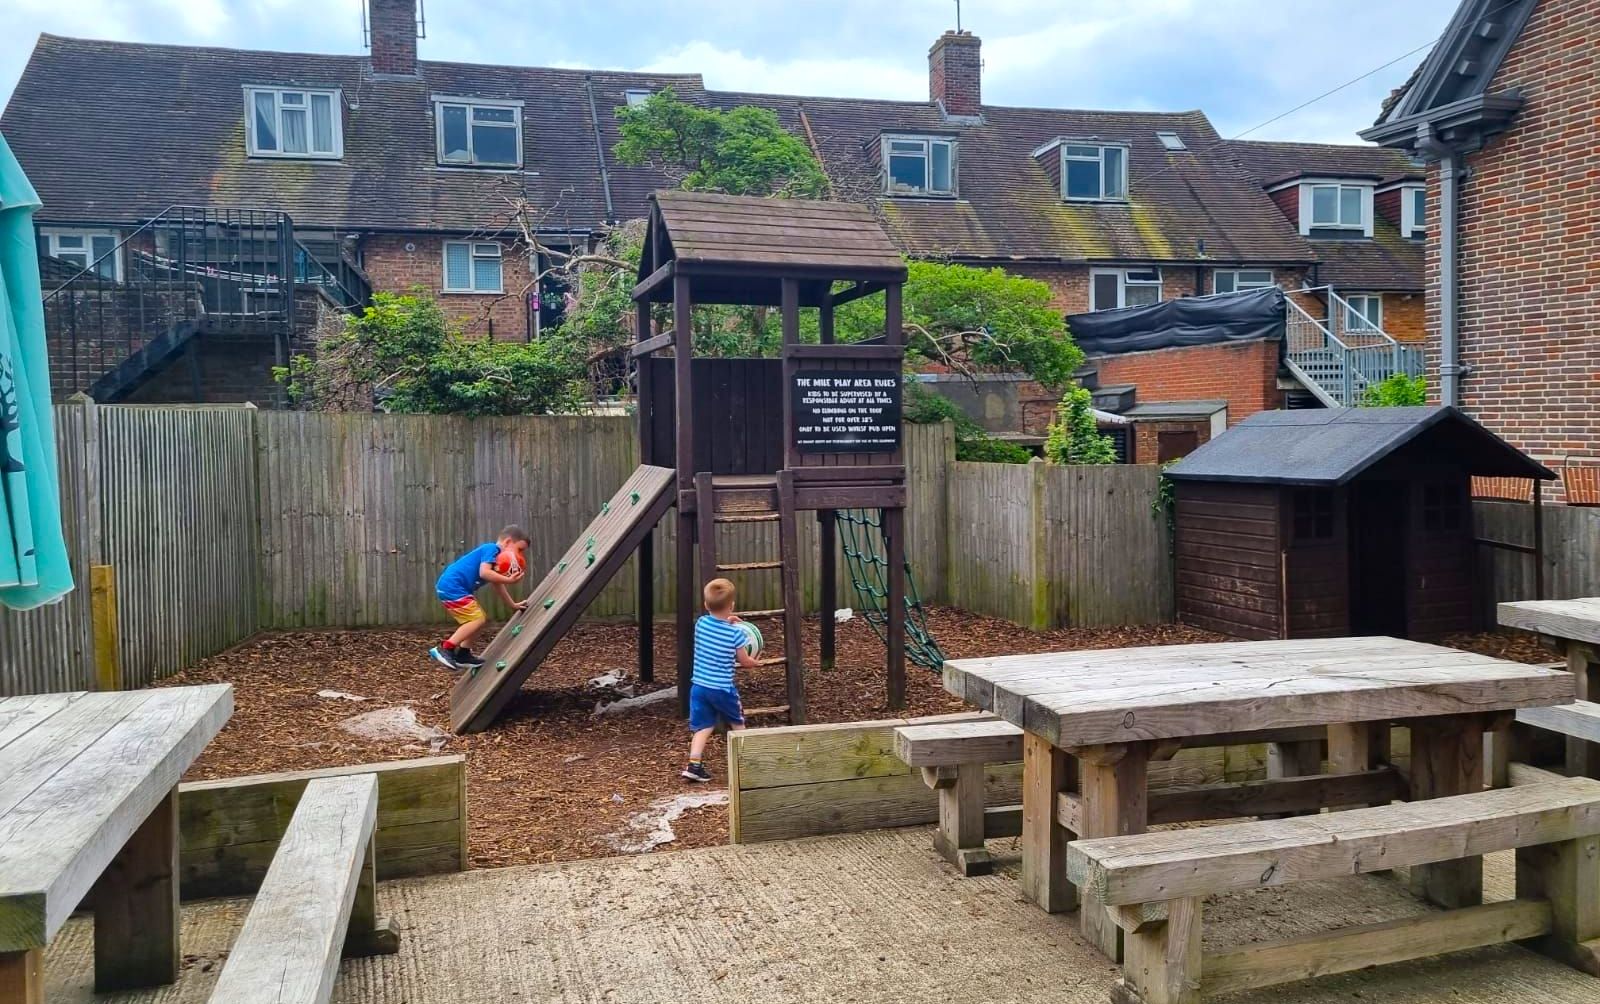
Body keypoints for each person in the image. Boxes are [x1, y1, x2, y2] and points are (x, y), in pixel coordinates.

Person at [682, 577, 761, 782]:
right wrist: (754, 662)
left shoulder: (700, 624)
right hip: (722, 688)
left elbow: (714, 625)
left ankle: (694, 765)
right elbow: (743, 661)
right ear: (732, 606)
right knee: (737, 722)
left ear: (706, 605)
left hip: (699, 686)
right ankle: (746, 764)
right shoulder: (736, 635)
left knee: (704, 726)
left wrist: (726, 619)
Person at [429, 526, 531, 671]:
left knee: (479, 620)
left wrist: (512, 605)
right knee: (476, 620)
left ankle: (463, 655)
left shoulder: (495, 560)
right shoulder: (491, 549)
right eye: (520, 550)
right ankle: (445, 649)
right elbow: (484, 573)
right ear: (508, 542)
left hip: (454, 587)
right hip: (453, 586)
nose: (520, 555)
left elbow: (497, 583)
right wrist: (509, 580)